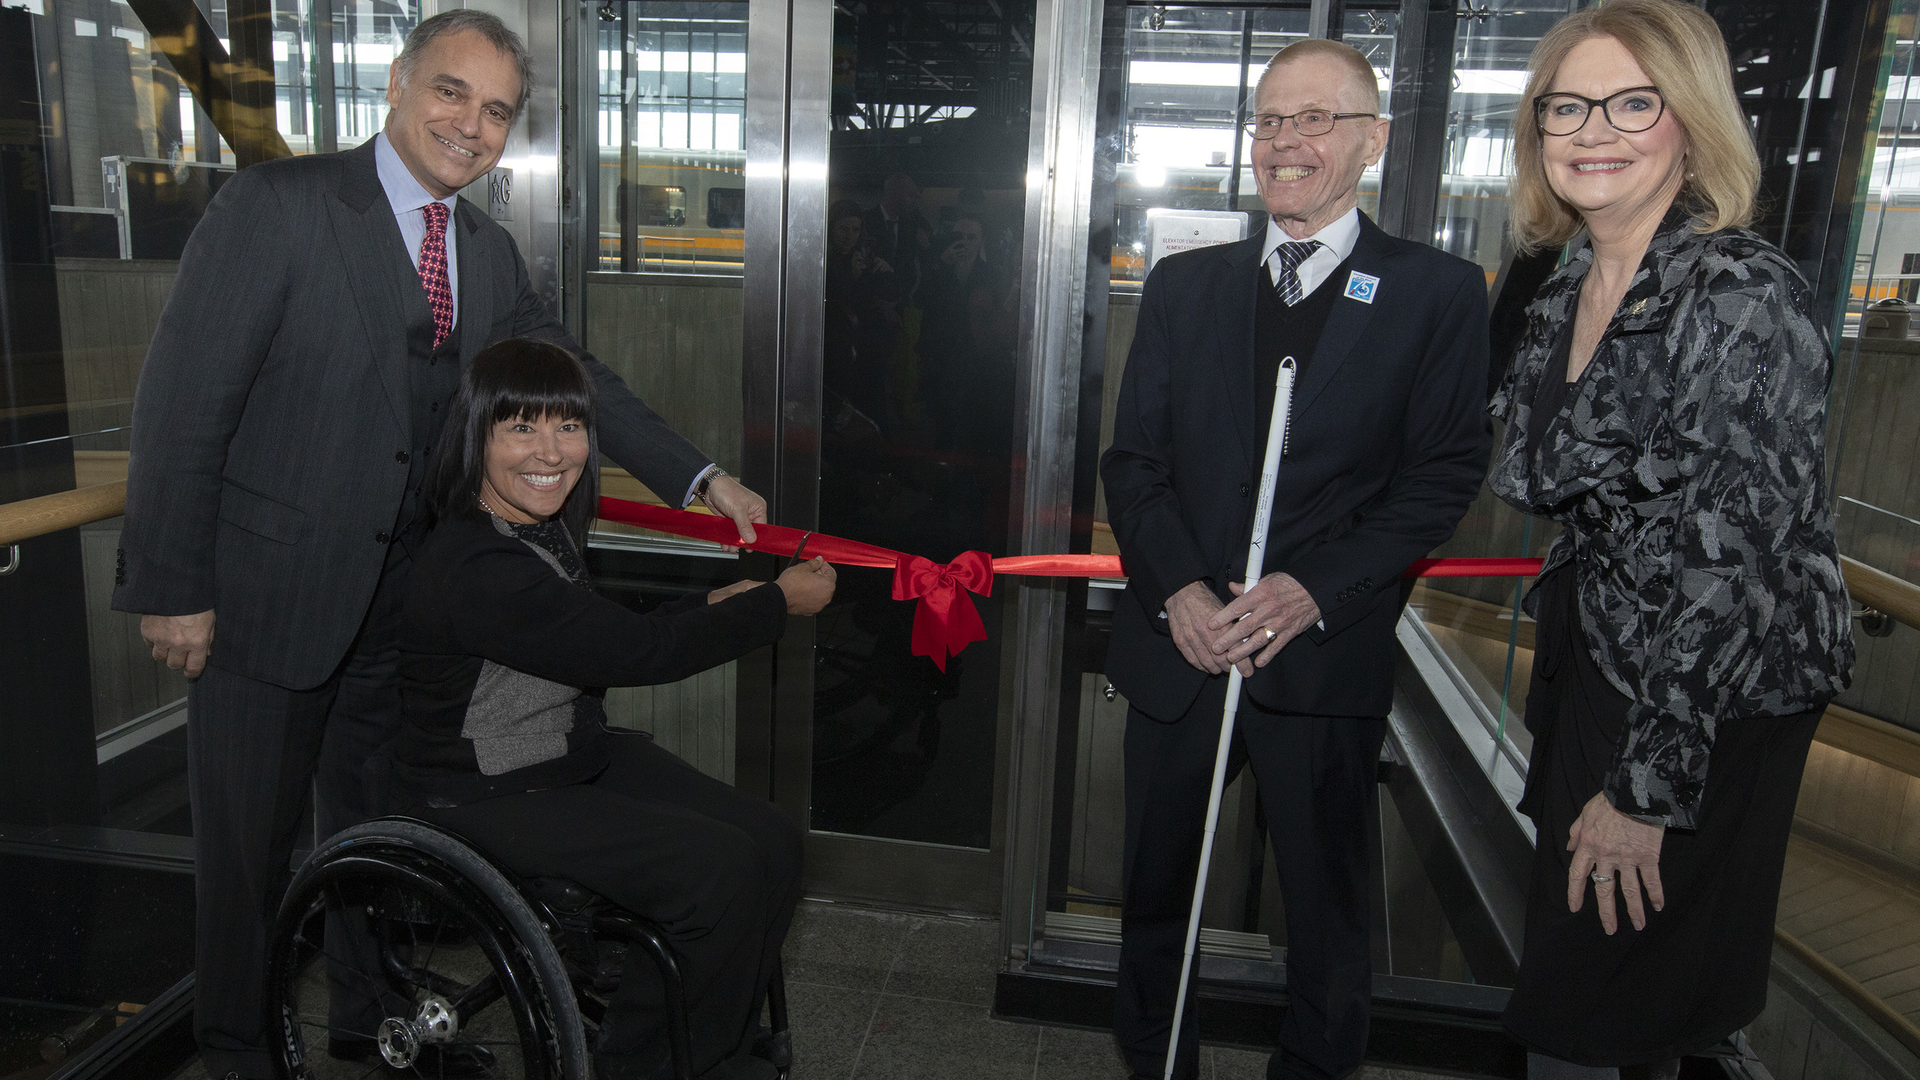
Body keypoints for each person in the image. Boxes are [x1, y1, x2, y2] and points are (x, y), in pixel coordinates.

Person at [109, 11, 769, 1079]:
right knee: (245, 857)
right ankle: (236, 1056)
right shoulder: (279, 207)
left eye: (497, 109)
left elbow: (576, 377)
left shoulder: (485, 251)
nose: (472, 124)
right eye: (452, 93)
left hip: (398, 611)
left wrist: (695, 475)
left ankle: (372, 1028)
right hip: (263, 601)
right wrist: (171, 584)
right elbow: (183, 405)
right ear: (399, 84)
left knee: (376, 840)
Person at [1099, 38, 1491, 1080]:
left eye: (1315, 119)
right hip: (1182, 656)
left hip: (1318, 660)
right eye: (1270, 121)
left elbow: (1441, 479)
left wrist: (1316, 589)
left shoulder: (1437, 294)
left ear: (1371, 139)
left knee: (1325, 917)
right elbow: (1133, 458)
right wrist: (1177, 587)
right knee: (1155, 902)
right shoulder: (1186, 286)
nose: (1286, 143)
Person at [1487, 3, 1854, 1077]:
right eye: (1568, 105)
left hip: (1703, 697)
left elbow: (1731, 565)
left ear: (1688, 123)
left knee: (1591, 1003)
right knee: (1612, 991)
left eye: (1632, 102)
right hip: (1602, 651)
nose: (1592, 129)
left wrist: (1647, 791)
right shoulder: (1567, 283)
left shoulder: (1739, 292)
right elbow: (1539, 468)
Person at [383, 338, 833, 1080]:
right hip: (484, 789)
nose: (551, 451)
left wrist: (712, 601)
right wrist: (778, 604)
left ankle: (707, 1042)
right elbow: (636, 655)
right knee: (717, 871)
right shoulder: (473, 562)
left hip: (564, 752)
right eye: (520, 427)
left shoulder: (535, 527)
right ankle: (645, 1065)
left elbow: (590, 629)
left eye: (569, 426)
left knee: (774, 843)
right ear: (475, 438)